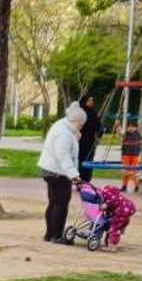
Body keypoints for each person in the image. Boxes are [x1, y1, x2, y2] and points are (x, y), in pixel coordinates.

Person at [38, 101, 87, 244]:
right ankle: (56, 235)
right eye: (81, 123)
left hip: (49, 169)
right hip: (57, 172)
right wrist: (73, 174)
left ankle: (49, 234)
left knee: (54, 202)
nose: (82, 126)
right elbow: (63, 155)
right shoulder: (64, 133)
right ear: (76, 121)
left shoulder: (63, 127)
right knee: (61, 203)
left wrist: (76, 137)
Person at [78, 95, 102, 182]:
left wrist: (98, 136)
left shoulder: (93, 112)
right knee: (80, 158)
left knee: (89, 159)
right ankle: (78, 178)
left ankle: (86, 179)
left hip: (90, 140)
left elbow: (99, 126)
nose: (91, 102)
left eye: (92, 101)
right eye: (89, 100)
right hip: (80, 139)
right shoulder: (80, 112)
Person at [121, 120, 142, 192]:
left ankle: (137, 185)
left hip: (135, 155)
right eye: (129, 126)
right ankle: (124, 185)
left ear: (136, 128)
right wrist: (117, 125)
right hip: (126, 154)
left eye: (133, 126)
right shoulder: (124, 134)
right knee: (125, 171)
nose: (130, 128)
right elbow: (119, 132)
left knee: (135, 171)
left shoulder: (139, 134)